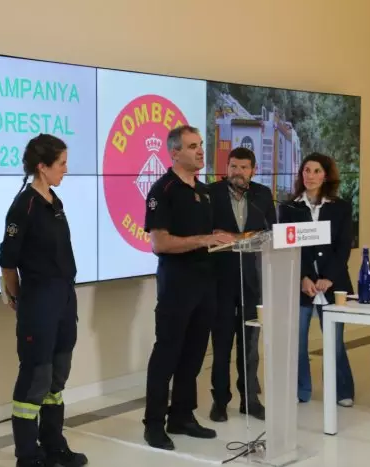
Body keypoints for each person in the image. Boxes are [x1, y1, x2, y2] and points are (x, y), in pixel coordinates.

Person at [142, 125, 234, 451]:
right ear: (175, 153)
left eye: (200, 145)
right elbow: (160, 243)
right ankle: (153, 424)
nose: (200, 151)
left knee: (194, 354)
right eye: (193, 146)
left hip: (205, 285)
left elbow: (210, 236)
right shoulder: (161, 190)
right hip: (176, 285)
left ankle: (181, 415)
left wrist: (231, 240)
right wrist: (204, 239)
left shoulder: (206, 192)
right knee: (167, 354)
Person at [0, 134, 88, 467]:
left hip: (64, 299)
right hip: (39, 302)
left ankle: (54, 446)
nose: (66, 169)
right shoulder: (24, 206)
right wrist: (20, 298)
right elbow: (8, 261)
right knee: (36, 378)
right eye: (61, 163)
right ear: (42, 166)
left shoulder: (54, 201)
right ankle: (27, 455)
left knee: (57, 377)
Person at [278, 153, 355, 405]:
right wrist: (302, 277)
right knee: (298, 342)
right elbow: (287, 247)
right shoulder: (289, 208)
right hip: (301, 285)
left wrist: (329, 277)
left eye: (316, 171)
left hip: (333, 285)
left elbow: (343, 246)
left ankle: (342, 391)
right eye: (306, 170)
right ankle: (302, 390)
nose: (310, 176)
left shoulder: (341, 207)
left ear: (326, 175)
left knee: (335, 341)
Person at [207, 147, 276, 422]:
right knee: (221, 344)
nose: (238, 172)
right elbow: (207, 232)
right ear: (227, 167)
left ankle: (250, 399)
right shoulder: (210, 193)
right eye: (233, 166)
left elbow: (269, 231)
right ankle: (220, 401)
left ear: (253, 170)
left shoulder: (261, 195)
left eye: (244, 167)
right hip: (219, 280)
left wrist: (238, 236)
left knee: (249, 345)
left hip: (251, 281)